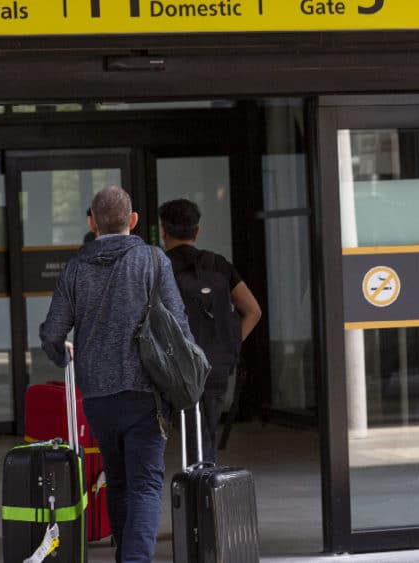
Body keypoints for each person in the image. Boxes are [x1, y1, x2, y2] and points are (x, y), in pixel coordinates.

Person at [41, 186, 194, 563]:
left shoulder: (76, 268)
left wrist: (63, 356)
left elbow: (51, 334)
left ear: (92, 222)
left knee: (119, 481)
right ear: (134, 220)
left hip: (97, 397)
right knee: (145, 485)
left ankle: (126, 556)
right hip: (146, 393)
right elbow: (178, 324)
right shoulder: (153, 260)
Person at [159, 198, 262, 463]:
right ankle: (204, 484)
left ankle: (196, 487)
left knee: (173, 438)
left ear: (163, 231)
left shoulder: (158, 267)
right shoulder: (218, 265)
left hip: (174, 368)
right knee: (205, 439)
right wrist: (230, 345)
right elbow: (253, 311)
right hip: (214, 366)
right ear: (196, 232)